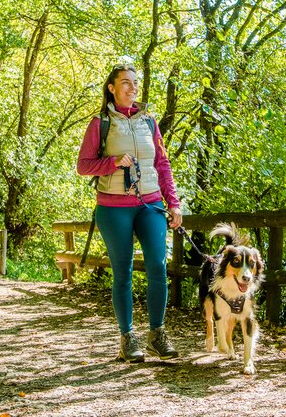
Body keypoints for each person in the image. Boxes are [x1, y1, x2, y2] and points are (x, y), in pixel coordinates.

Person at [77, 63, 183, 363]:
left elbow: (162, 163)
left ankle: (157, 334)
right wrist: (112, 163)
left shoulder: (149, 121)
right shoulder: (100, 123)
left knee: (158, 267)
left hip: (150, 205)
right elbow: (83, 166)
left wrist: (173, 202)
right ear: (112, 88)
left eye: (135, 82)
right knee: (122, 273)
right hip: (113, 208)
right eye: (125, 82)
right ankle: (127, 338)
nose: (132, 87)